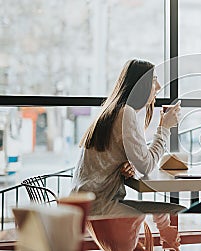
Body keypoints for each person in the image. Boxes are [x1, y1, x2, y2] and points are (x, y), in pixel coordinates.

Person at [71, 59, 183, 250]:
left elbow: (133, 158)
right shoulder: (126, 114)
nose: (158, 86)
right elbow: (147, 166)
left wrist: (126, 163)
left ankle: (166, 235)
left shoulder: (113, 109)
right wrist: (164, 128)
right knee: (177, 210)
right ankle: (169, 238)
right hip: (101, 208)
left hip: (90, 203)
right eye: (153, 80)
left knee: (168, 211)